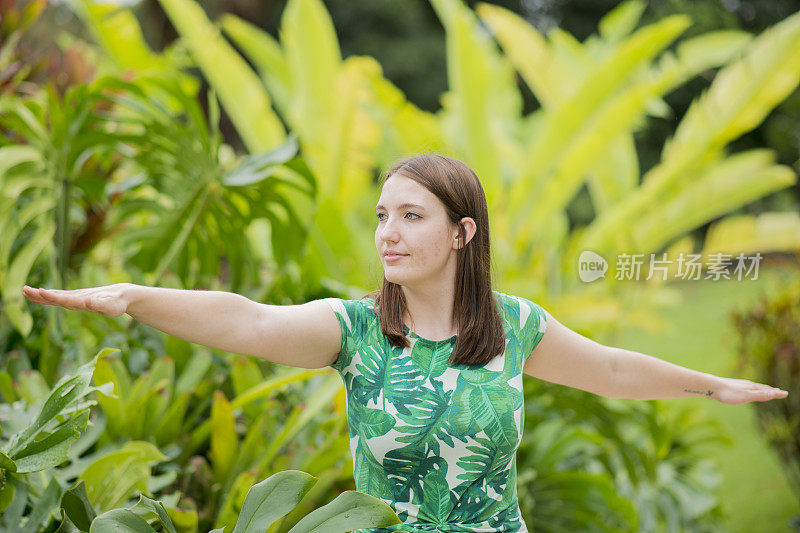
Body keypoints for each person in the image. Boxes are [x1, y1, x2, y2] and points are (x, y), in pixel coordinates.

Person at [23, 153, 789, 532]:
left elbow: (614, 369)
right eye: (383, 215)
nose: (388, 232)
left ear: (462, 232)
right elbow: (249, 320)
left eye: (412, 216)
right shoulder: (355, 332)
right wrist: (131, 298)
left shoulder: (513, 327)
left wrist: (713, 384)